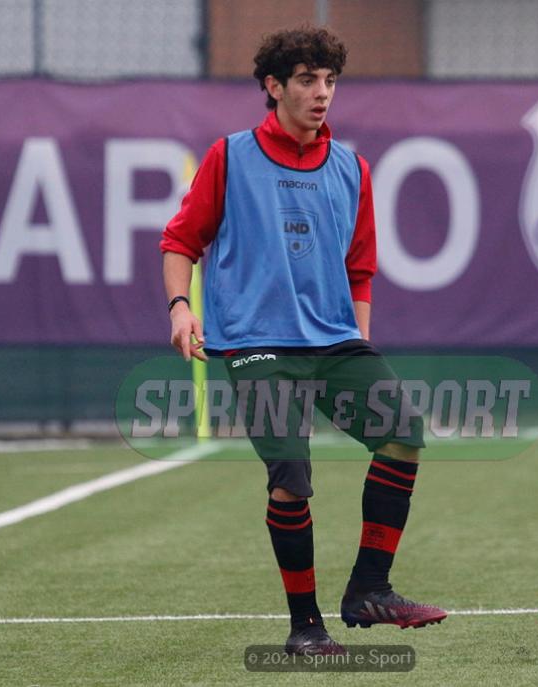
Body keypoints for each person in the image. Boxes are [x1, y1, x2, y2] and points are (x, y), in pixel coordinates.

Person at [159, 25, 446, 656]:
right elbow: (180, 241)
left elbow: (360, 269)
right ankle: (305, 627)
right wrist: (181, 307)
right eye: (307, 80)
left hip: (336, 343)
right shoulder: (230, 157)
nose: (322, 93)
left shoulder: (351, 168)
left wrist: (360, 344)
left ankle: (369, 589)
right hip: (256, 345)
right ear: (274, 86)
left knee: (404, 433)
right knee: (291, 474)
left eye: (330, 81)